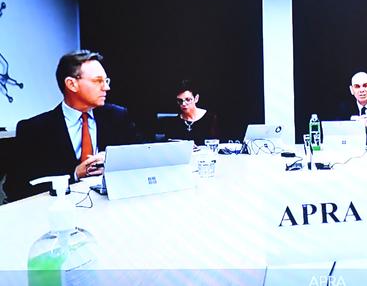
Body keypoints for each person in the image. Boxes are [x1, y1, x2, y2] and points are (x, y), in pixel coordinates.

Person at [6, 50, 139, 201]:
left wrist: (113, 161)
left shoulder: (118, 117)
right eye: (97, 81)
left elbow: (141, 163)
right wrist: (74, 175)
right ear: (71, 84)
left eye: (106, 81)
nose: (106, 88)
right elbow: (16, 188)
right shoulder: (34, 130)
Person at [159, 80, 218, 146]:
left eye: (188, 99)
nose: (183, 104)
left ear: (196, 98)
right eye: (180, 101)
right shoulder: (174, 123)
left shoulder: (211, 118)